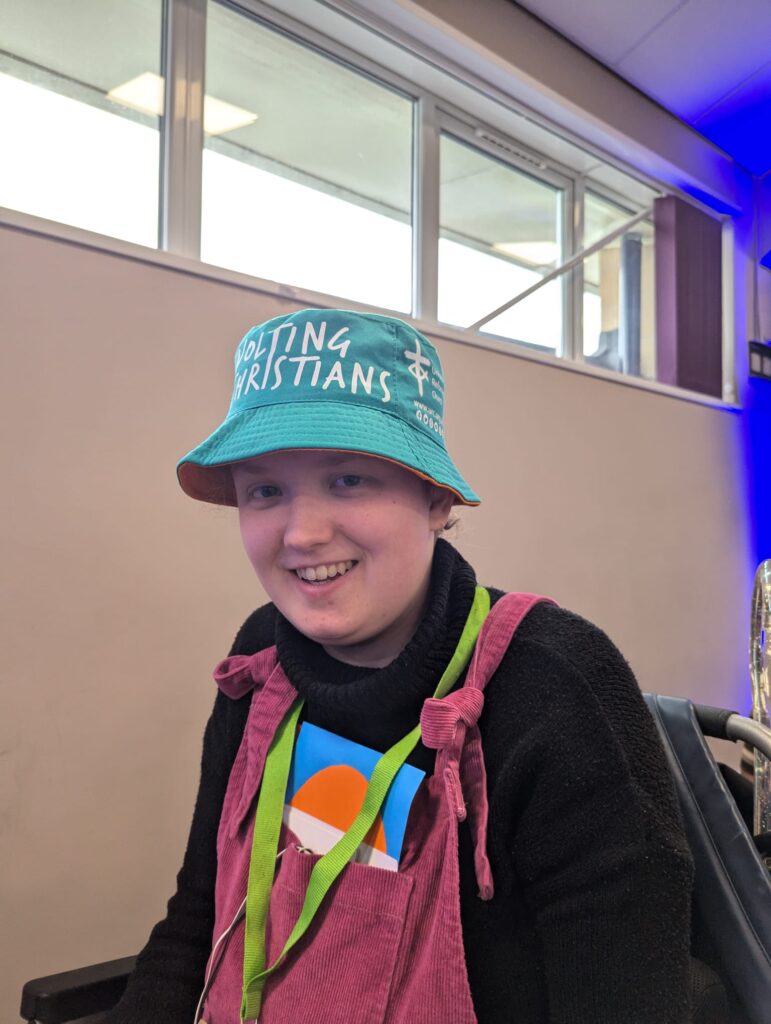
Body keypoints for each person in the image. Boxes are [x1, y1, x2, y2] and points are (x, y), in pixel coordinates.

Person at [104, 308, 694, 1024]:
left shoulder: (553, 687)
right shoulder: (260, 660)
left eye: (349, 479)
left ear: (435, 498)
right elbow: (198, 920)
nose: (303, 532)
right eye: (264, 490)